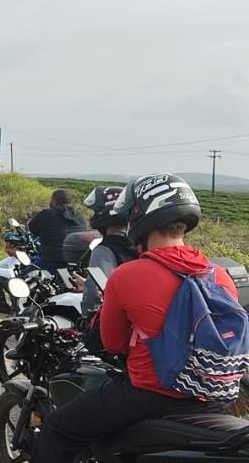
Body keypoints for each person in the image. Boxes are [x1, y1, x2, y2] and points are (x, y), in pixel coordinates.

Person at [34, 174, 239, 463]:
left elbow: (113, 343)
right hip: (214, 395)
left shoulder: (128, 275)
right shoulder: (219, 275)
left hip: (152, 393)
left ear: (141, 220)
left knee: (57, 429)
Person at [80, 186, 137, 314]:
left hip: (115, 319)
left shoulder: (103, 250)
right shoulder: (139, 245)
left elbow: (93, 295)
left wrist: (87, 319)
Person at [28, 188, 87, 272]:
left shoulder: (47, 214)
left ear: (54, 201)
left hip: (52, 262)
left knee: (23, 277)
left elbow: (32, 228)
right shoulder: (80, 216)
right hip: (76, 265)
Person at [0, 233, 28, 314]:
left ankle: (16, 308)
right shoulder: (12, 258)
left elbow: (12, 273)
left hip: (23, 289)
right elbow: (0, 264)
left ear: (16, 247)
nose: (6, 250)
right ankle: (3, 305)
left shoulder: (22, 259)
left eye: (8, 247)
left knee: (7, 280)